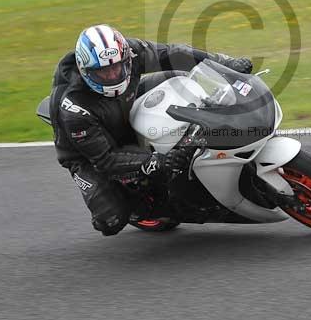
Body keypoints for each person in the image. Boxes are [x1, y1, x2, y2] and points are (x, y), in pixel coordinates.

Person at [49, 23, 253, 236]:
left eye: (117, 67)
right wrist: (157, 161)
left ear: (126, 58)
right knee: (110, 219)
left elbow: (174, 53)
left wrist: (225, 63)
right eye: (103, 72)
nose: (112, 76)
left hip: (125, 103)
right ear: (85, 71)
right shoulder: (73, 107)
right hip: (88, 152)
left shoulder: (130, 51)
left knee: (178, 76)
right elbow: (106, 159)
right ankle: (141, 206)